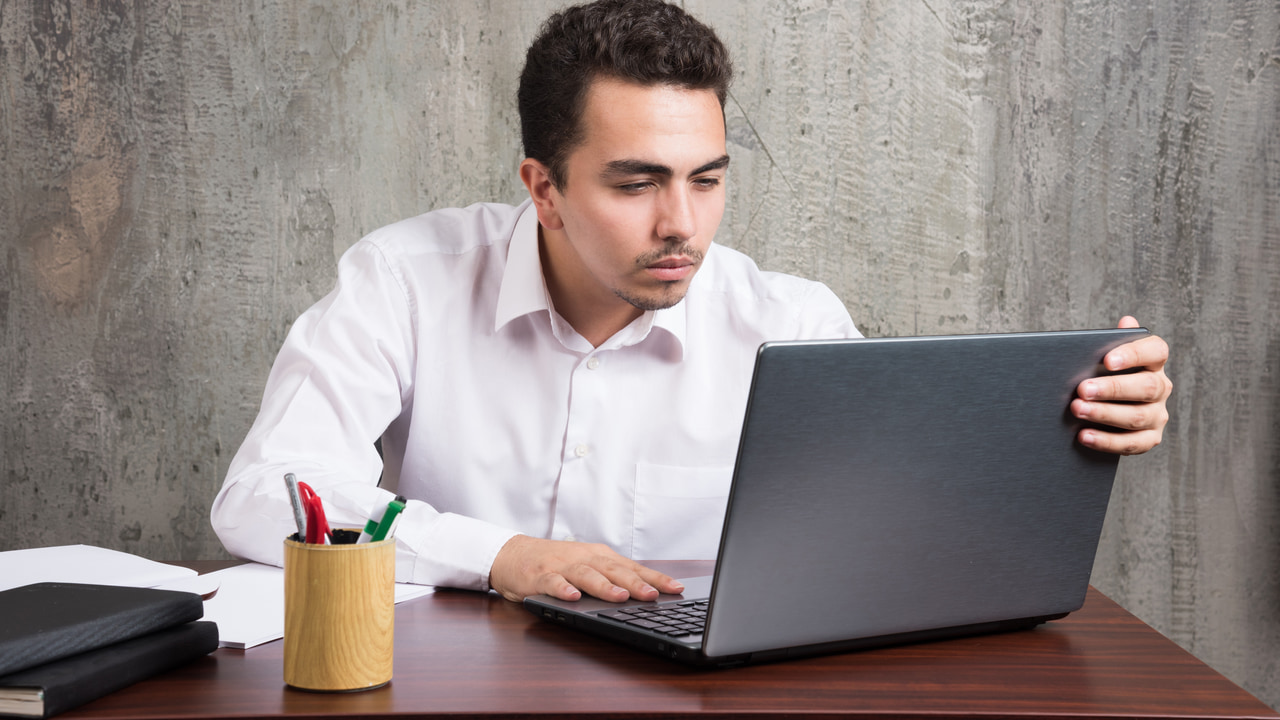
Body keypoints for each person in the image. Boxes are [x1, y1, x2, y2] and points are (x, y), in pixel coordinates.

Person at [210, 0, 1172, 604]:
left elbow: (902, 529)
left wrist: (1067, 425)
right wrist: (498, 554)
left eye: (706, 178)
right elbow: (264, 496)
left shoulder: (789, 326)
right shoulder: (404, 280)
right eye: (635, 185)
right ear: (542, 188)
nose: (683, 224)